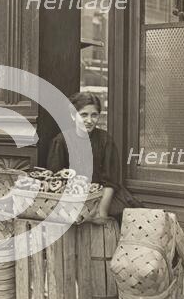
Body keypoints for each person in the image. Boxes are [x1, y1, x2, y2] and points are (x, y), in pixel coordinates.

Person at [47, 91, 139, 222]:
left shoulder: (105, 140)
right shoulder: (61, 141)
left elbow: (110, 182)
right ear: (73, 115)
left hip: (104, 197)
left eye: (94, 115)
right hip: (71, 199)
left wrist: (102, 211)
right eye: (83, 115)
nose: (89, 120)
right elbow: (55, 180)